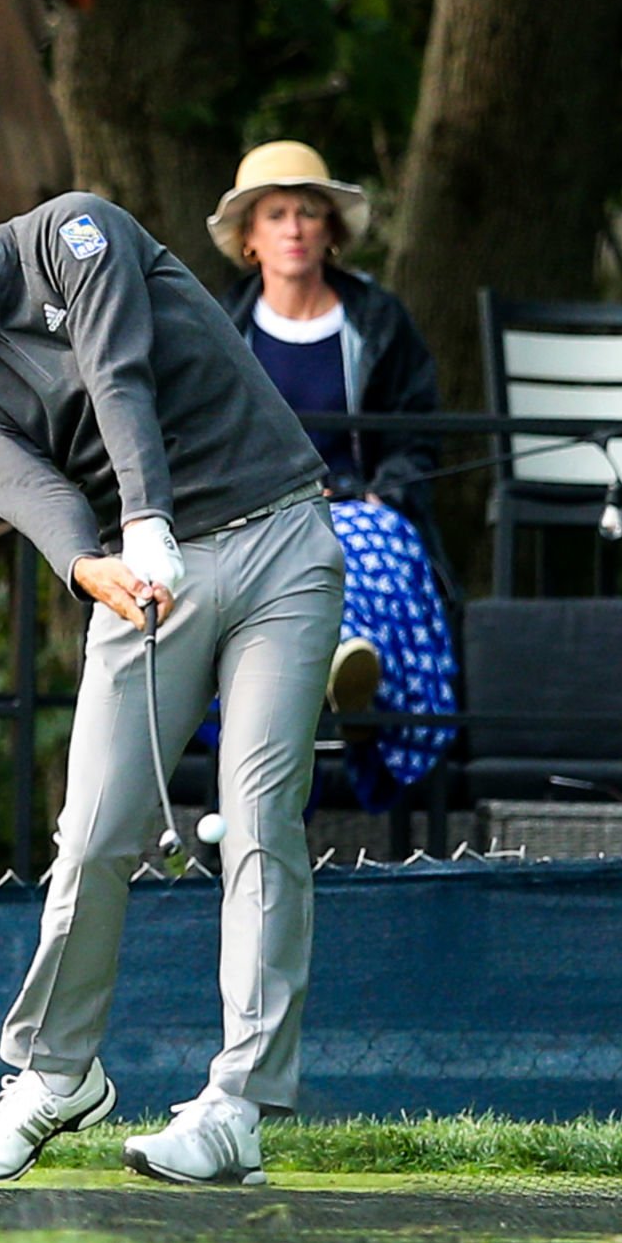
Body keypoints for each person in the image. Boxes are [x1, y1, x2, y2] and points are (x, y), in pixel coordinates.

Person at [0, 191, 344, 1187]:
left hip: (280, 538)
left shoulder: (72, 234)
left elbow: (119, 372)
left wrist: (143, 515)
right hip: (141, 583)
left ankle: (236, 1105)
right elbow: (35, 492)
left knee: (257, 817)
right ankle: (54, 1073)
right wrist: (87, 567)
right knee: (95, 831)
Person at [207, 140, 457, 811]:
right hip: (254, 516)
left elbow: (414, 436)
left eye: (308, 213)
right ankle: (325, 673)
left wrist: (384, 492)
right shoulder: (218, 329)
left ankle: (344, 677)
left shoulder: (378, 320)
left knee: (364, 542)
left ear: (331, 232)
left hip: (359, 508)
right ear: (250, 237)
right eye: (277, 214)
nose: (293, 228)